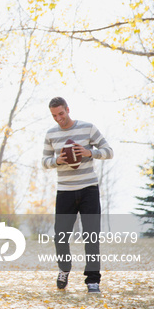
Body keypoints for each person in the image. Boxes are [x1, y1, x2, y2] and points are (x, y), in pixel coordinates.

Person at [42, 96, 113, 294]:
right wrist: (57, 161)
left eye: (61, 114)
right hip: (64, 191)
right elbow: (45, 161)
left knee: (91, 236)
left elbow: (109, 151)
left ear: (68, 109)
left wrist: (89, 153)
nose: (58, 118)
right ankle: (64, 269)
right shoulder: (50, 134)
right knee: (60, 237)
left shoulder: (88, 128)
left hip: (89, 189)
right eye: (54, 115)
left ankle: (93, 280)